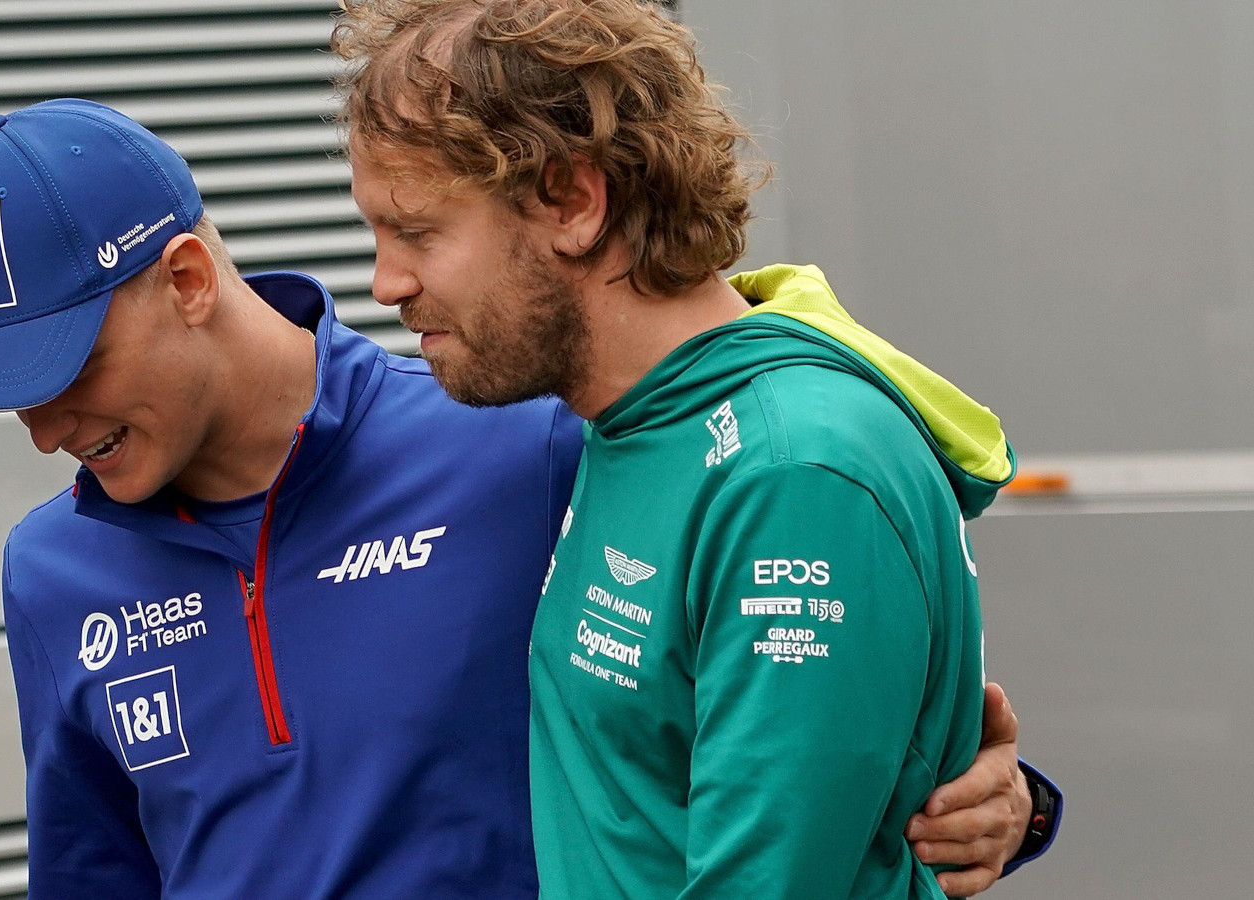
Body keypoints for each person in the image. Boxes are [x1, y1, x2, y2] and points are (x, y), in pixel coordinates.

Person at [0, 99, 1052, 899]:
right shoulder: (50, 571)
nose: (44, 431)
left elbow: (791, 692)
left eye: (64, 375)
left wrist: (1000, 802)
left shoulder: (524, 437)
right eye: (5, 398)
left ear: (187, 280)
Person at [333, 0, 1060, 897]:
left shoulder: (792, 472)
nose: (385, 283)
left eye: (416, 232)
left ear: (572, 200)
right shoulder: (634, 418)